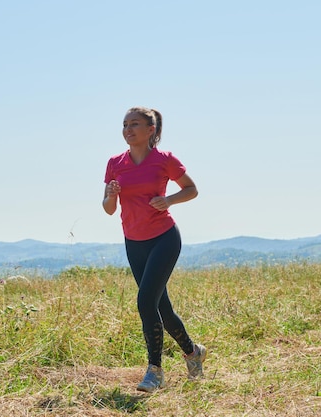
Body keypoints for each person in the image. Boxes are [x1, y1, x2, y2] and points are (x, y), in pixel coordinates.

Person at [102, 106, 206, 393]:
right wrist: (111, 196)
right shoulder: (115, 163)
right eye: (124, 124)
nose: (128, 129)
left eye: (134, 124)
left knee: (146, 301)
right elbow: (108, 209)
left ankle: (154, 372)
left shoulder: (164, 160)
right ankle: (193, 352)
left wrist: (169, 200)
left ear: (151, 130)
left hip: (164, 238)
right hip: (133, 241)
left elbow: (191, 189)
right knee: (163, 308)